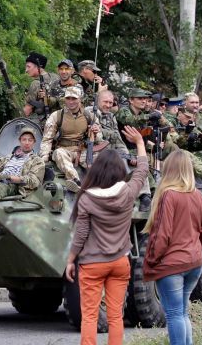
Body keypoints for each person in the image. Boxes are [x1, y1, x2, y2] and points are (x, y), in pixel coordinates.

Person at [65, 126, 148, 345]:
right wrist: (139, 143)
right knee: (115, 316)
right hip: (120, 262)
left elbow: (81, 233)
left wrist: (71, 259)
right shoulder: (128, 193)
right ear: (119, 172)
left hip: (92, 264)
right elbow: (141, 171)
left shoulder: (86, 198)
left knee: (90, 315)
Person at [142, 149, 202, 345]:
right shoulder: (198, 195)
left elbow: (161, 235)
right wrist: (196, 249)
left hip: (172, 265)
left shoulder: (168, 195)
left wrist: (150, 261)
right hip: (194, 263)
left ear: (170, 169)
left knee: (174, 314)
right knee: (182, 312)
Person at [94, 89, 152, 211]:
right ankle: (124, 196)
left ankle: (145, 196)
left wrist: (128, 156)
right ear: (98, 101)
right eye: (106, 102)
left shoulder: (110, 116)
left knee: (139, 164)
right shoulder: (92, 113)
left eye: (111, 103)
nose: (109, 105)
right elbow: (97, 135)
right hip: (98, 151)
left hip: (115, 150)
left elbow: (119, 140)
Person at [40, 86, 102, 193]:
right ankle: (75, 181)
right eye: (68, 98)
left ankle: (106, 185)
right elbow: (47, 139)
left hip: (82, 150)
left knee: (100, 161)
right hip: (64, 150)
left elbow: (99, 138)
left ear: (80, 99)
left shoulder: (89, 115)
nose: (71, 102)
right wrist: (44, 158)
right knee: (59, 153)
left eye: (74, 99)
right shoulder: (57, 116)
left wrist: (95, 132)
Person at [22, 51, 59, 122]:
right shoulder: (56, 77)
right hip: (57, 120)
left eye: (28, 67)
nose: (26, 70)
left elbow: (27, 110)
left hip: (40, 123)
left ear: (38, 67)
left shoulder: (35, 83)